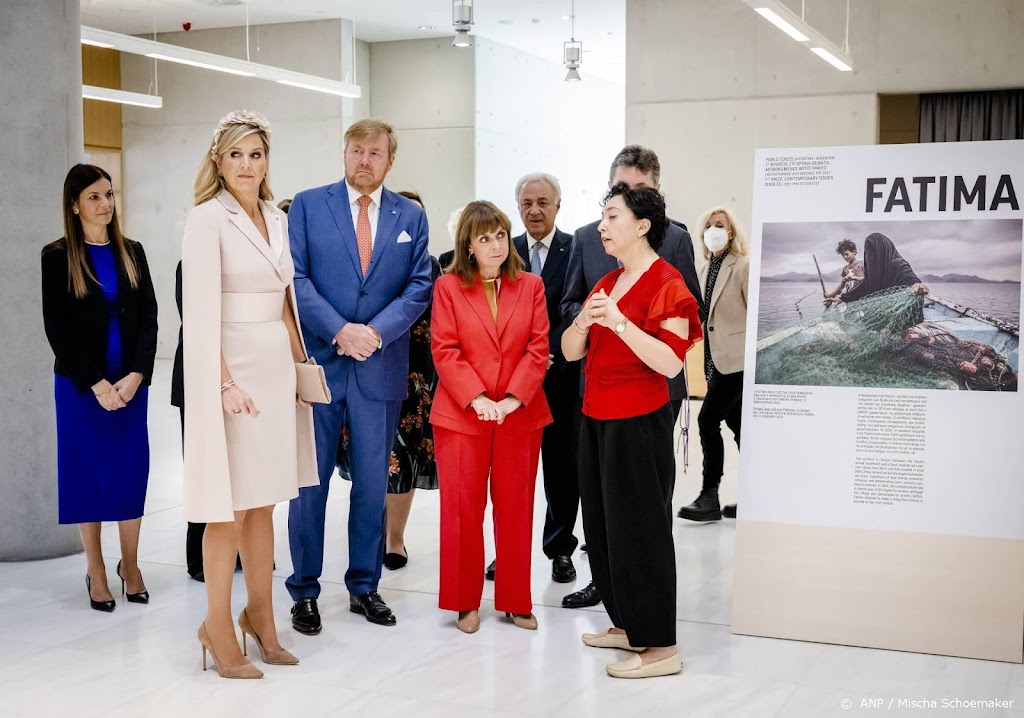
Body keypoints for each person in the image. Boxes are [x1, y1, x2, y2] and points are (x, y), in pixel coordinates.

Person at [182, 110, 318, 679]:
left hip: (274, 367)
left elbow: (286, 302)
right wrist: (223, 383)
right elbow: (199, 313)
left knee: (265, 501)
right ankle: (216, 625)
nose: (246, 164)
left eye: (255, 154)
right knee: (230, 506)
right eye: (236, 154)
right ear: (218, 161)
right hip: (231, 367)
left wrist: (300, 369)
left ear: (266, 162)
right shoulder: (206, 218)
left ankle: (260, 615)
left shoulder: (277, 218)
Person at [286, 118, 433, 633]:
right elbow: (295, 278)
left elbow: (419, 285)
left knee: (372, 483)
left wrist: (373, 333)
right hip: (321, 365)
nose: (364, 160)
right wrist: (339, 330)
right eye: (356, 150)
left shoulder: (410, 215)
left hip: (379, 364)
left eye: (374, 153)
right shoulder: (308, 206)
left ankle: (365, 586)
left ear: (390, 160)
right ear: (344, 153)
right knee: (310, 483)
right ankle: (304, 590)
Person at [562, 182, 700, 679]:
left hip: (638, 421)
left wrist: (621, 324)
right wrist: (583, 323)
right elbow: (570, 352)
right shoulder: (608, 281)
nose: (602, 226)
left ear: (642, 226)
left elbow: (669, 363)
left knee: (641, 531)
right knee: (603, 528)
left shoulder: (668, 283)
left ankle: (661, 646)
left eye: (612, 216)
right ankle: (626, 622)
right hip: (596, 417)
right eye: (602, 217)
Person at [41, 163, 158, 613]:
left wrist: (136, 375)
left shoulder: (133, 251)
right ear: (74, 205)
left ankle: (131, 565)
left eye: (109, 194)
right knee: (86, 475)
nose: (105, 203)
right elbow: (57, 328)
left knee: (130, 472)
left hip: (129, 384)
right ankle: (96, 569)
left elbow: (149, 319)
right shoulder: (57, 257)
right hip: (80, 387)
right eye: (94, 196)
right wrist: (96, 384)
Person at [431, 201, 552, 634]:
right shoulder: (447, 287)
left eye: (501, 235)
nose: (497, 245)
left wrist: (514, 399)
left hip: (520, 415)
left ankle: (516, 601)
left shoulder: (531, 285)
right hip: (462, 415)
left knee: (516, 508)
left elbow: (538, 347)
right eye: (485, 238)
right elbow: (444, 349)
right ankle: (464, 602)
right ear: (468, 245)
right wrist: (477, 398)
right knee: (462, 510)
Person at [334, 189, 442, 571]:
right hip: (369, 364)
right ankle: (372, 534)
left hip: (416, 375)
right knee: (374, 459)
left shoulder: (431, 266)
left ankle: (395, 538)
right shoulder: (365, 259)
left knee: (405, 460)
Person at [492, 172, 579, 585]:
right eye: (527, 203)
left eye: (543, 202)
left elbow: (575, 306)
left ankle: (560, 550)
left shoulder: (576, 248)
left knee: (562, 472)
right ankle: (507, 552)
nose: (535, 211)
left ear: (558, 205)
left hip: (561, 378)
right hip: (513, 384)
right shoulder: (503, 251)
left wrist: (546, 352)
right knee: (512, 477)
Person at [677, 207, 749, 522]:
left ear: (731, 232)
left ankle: (709, 496)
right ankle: (757, 498)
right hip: (714, 360)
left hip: (737, 362)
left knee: (707, 420)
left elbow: (754, 317)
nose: (712, 231)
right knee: (739, 427)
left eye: (719, 225)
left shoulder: (743, 266)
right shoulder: (704, 269)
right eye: (707, 226)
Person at [827, 232, 929, 305]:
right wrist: (842, 298)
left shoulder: (898, 264)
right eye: (868, 253)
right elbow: (864, 286)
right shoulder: (875, 270)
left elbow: (909, 277)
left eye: (873, 251)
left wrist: (918, 284)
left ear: (882, 249)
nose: (871, 256)